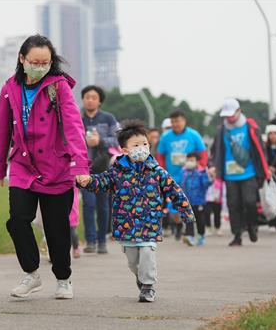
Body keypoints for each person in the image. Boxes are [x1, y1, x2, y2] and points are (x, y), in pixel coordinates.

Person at [0, 34, 89, 300]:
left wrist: (80, 164)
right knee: (17, 221)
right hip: (23, 165)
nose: (40, 66)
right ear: (22, 59)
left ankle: (63, 278)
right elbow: (2, 130)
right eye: (35, 61)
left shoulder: (59, 87)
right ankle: (32, 274)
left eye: (45, 62)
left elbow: (73, 127)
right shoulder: (10, 87)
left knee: (57, 229)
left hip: (55, 167)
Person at [76, 119, 194, 303]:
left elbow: (174, 190)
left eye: (145, 144)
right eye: (136, 145)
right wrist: (87, 180)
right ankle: (141, 277)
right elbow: (102, 181)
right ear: (124, 150)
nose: (142, 148)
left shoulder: (157, 171)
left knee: (147, 252)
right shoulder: (117, 172)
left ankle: (148, 286)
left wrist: (185, 211)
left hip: (150, 223)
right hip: (126, 225)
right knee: (133, 262)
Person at [209, 98, 270, 247]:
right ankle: (237, 235)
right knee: (233, 204)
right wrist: (213, 166)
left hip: (249, 172)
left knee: (249, 202)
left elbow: (260, 149)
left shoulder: (250, 127)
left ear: (239, 111)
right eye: (226, 115)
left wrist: (264, 170)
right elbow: (215, 150)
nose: (229, 118)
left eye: (231, 114)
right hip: (230, 174)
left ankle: (251, 226)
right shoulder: (221, 130)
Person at [81, 85, 119, 254]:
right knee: (88, 204)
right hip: (84, 167)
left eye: (93, 97)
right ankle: (90, 240)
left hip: (104, 168)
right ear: (83, 99)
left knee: (103, 205)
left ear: (99, 101)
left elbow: (117, 140)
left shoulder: (108, 118)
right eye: (87, 97)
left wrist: (100, 140)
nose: (90, 100)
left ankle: (102, 240)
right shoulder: (76, 119)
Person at [157, 110, 207, 240]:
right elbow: (160, 156)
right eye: (173, 121)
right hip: (173, 177)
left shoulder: (193, 135)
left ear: (184, 121)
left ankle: (189, 232)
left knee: (188, 203)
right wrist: (162, 171)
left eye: (178, 121)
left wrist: (200, 167)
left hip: (190, 176)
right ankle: (179, 225)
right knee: (173, 208)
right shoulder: (166, 137)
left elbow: (203, 153)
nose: (175, 124)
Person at [179, 152, 211, 246]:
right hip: (187, 200)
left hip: (199, 200)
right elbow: (180, 183)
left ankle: (201, 235)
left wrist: (209, 179)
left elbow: (206, 184)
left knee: (200, 219)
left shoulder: (201, 171)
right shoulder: (183, 171)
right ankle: (190, 236)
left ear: (197, 162)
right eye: (188, 160)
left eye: (192, 160)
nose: (189, 162)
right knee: (189, 219)